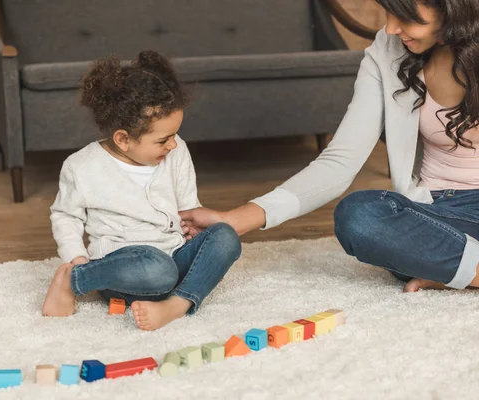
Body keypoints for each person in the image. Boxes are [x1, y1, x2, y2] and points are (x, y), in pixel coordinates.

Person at [180, 0, 479, 293]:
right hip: (432, 211)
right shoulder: (389, 50)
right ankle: (462, 268)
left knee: (412, 257)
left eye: (404, 15)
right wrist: (233, 220)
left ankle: (455, 268)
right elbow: (339, 162)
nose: (390, 28)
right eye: (388, 11)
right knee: (360, 217)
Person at [42, 50, 241, 330]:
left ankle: (178, 303)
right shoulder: (81, 166)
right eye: (163, 140)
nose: (173, 145)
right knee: (157, 269)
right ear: (123, 139)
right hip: (126, 270)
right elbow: (66, 216)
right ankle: (73, 279)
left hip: (173, 256)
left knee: (225, 235)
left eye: (175, 135)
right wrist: (78, 259)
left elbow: (188, 206)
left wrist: (195, 236)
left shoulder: (176, 150)